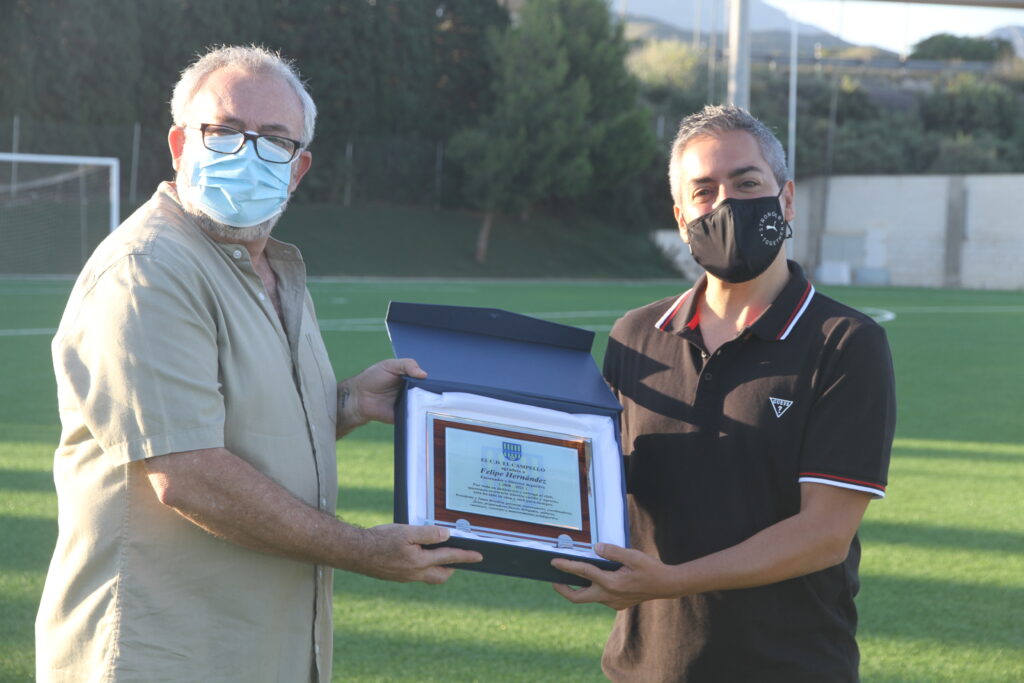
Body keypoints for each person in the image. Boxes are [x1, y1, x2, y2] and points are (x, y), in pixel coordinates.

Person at [35, 45, 480, 683]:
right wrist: (362, 548)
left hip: (259, 650)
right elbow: (188, 473)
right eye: (223, 131)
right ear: (180, 144)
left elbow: (243, 427)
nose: (246, 153)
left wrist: (348, 404)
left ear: (298, 169)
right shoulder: (148, 270)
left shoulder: (271, 269)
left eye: (273, 140)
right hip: (162, 654)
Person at [552, 105, 896, 682]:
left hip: (791, 669)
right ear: (681, 216)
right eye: (704, 191)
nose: (727, 203)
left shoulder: (846, 343)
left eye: (747, 182)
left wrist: (669, 582)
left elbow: (823, 536)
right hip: (645, 669)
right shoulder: (636, 336)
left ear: (785, 200)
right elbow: (596, 486)